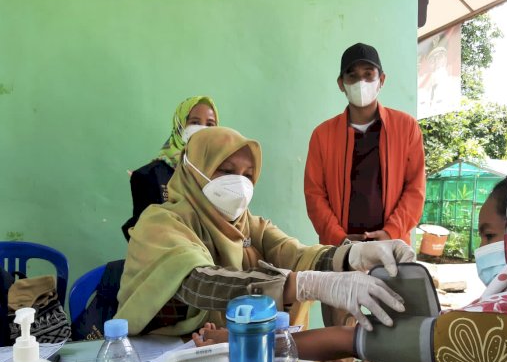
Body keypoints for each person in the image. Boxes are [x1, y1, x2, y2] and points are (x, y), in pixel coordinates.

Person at [197, 172, 507, 362]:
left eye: (491, 236)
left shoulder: (486, 331)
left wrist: (241, 341)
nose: (482, 251)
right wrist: (347, 255)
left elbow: (349, 340)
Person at [115, 127, 417, 336]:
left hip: (221, 349)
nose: (240, 183)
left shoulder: (249, 224)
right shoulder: (159, 223)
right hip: (158, 354)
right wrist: (303, 285)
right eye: (226, 170)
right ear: (195, 171)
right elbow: (200, 284)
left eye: (248, 175)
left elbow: (296, 254)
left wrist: (356, 253)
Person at [304, 42, 426, 246]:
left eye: (368, 74)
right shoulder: (322, 135)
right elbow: (314, 193)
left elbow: (416, 188)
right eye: (352, 75)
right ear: (341, 83)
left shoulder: (406, 128)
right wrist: (338, 238)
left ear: (381, 80)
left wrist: (391, 232)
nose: (361, 82)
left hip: (391, 246)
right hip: (340, 249)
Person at [121, 96, 219, 241]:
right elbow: (145, 236)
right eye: (195, 122)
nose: (203, 129)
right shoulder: (150, 175)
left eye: (210, 124)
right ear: (180, 125)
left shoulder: (221, 176)